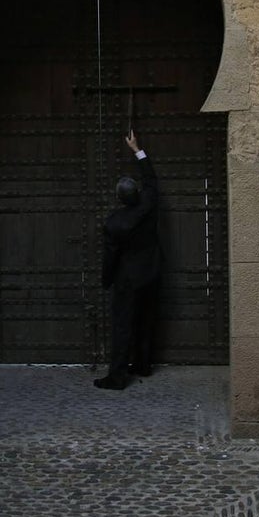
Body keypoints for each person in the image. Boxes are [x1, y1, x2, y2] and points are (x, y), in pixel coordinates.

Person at [95, 130, 162, 390]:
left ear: (120, 198)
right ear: (137, 192)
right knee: (146, 320)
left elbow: (110, 256)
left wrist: (106, 280)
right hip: (152, 273)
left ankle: (118, 377)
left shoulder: (115, 223)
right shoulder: (149, 203)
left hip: (128, 281)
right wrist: (137, 150)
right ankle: (144, 365)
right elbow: (151, 179)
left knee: (123, 326)